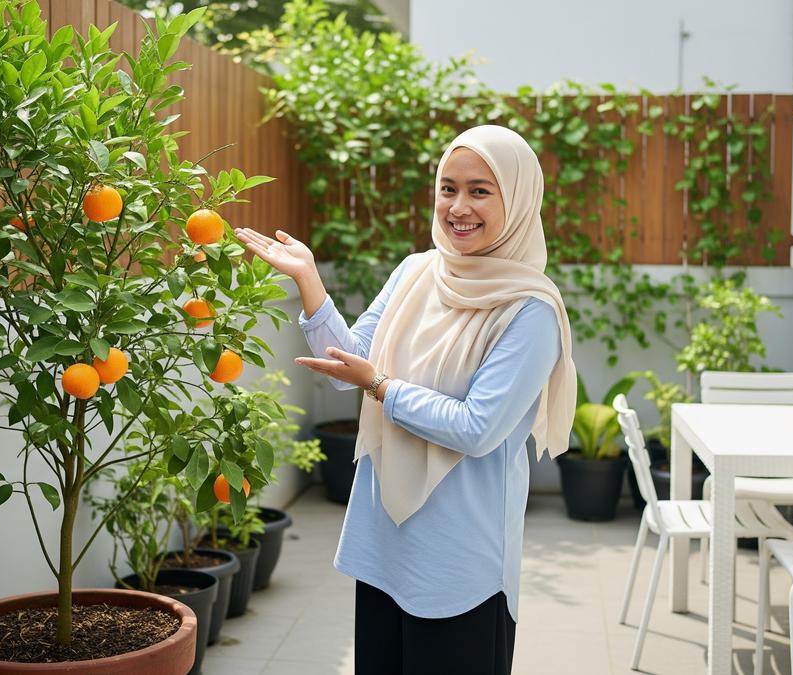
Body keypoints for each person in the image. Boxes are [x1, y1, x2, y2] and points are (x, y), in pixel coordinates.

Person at [235, 124, 577, 675]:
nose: (458, 206)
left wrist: (383, 387)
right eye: (448, 187)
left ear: (517, 200)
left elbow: (477, 428)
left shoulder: (530, 312)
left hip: (460, 561)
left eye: (480, 190)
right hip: (386, 542)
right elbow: (348, 368)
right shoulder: (417, 272)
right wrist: (309, 282)